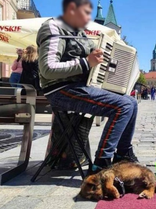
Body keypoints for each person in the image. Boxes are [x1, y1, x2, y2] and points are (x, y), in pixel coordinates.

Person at [37, 0, 138, 172]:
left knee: (131, 102)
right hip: (60, 90)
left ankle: (122, 155)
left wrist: (106, 61)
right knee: (123, 106)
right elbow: (48, 68)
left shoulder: (79, 32)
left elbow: (93, 59)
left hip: (78, 87)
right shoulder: (53, 27)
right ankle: (102, 164)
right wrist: (86, 62)